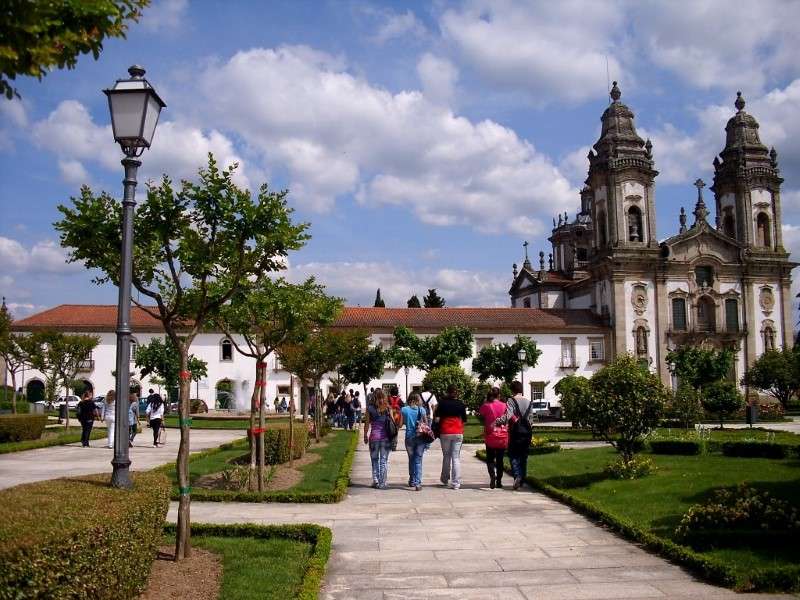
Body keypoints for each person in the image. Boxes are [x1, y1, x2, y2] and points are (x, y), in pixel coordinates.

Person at [496, 381, 535, 490]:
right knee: (524, 456)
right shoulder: (529, 402)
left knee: (513, 455)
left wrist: (499, 421)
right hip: (527, 432)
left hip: (515, 432)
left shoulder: (511, 401)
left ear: (512, 390)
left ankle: (517, 475)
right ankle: (522, 479)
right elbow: (531, 419)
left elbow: (508, 415)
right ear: (521, 389)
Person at [434, 384, 467, 489]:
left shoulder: (442, 403)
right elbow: (464, 420)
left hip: (445, 431)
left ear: (447, 392)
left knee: (447, 456)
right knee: (456, 457)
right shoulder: (461, 404)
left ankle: (444, 479)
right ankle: (456, 482)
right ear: (456, 393)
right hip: (457, 431)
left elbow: (437, 419)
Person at [363, 389, 394, 489]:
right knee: (383, 460)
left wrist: (365, 435)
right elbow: (393, 422)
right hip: (385, 438)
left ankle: (376, 481)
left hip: (373, 438)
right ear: (384, 397)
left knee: (374, 460)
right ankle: (382, 482)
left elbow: (367, 424)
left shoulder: (369, 408)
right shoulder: (388, 408)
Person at [479, 387, 508, 488]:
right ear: (499, 395)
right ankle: (499, 481)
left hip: (490, 433)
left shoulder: (486, 405)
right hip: (502, 434)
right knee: (500, 459)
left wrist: (486, 401)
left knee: (490, 458)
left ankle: (492, 476)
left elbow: (480, 413)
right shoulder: (504, 405)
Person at [401, 392, 429, 491]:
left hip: (409, 437)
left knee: (411, 459)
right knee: (418, 460)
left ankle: (412, 480)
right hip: (420, 437)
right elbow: (426, 424)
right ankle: (418, 483)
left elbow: (401, 424)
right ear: (417, 400)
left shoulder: (404, 410)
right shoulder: (422, 410)